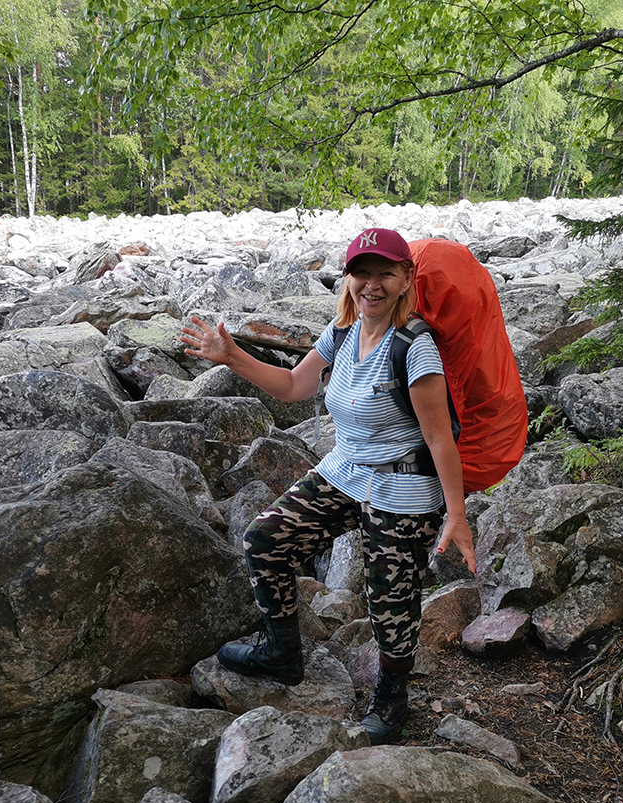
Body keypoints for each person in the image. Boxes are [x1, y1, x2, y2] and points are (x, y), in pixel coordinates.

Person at [180, 227, 476, 744]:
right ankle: (282, 651)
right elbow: (295, 386)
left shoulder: (416, 347)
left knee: (389, 598)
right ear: (348, 279)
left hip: (403, 489)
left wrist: (456, 514)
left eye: (386, 272)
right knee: (265, 540)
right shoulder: (341, 333)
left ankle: (391, 697)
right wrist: (232, 357)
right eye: (362, 272)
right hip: (347, 472)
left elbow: (438, 438)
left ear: (407, 278)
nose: (372, 284)